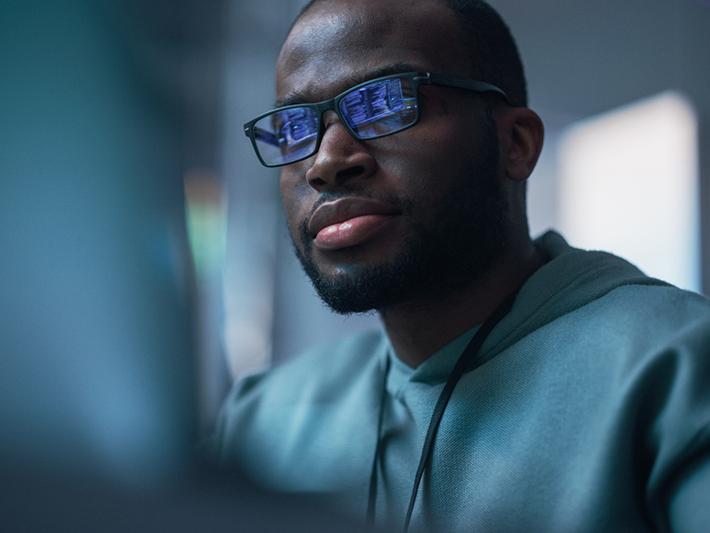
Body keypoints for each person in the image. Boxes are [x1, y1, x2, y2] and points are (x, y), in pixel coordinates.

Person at [212, 0, 710, 530]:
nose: (326, 162)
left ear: (515, 144)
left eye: (386, 102)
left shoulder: (675, 366)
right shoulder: (260, 420)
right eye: (292, 129)